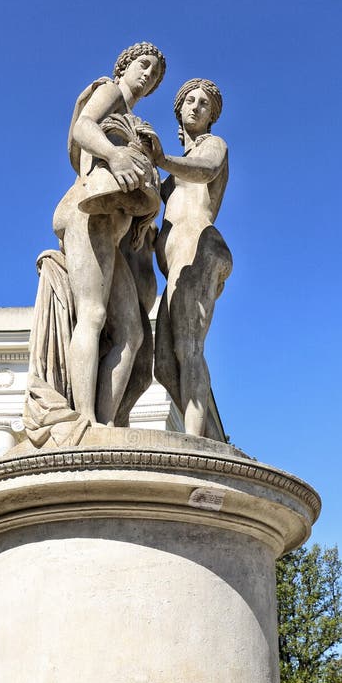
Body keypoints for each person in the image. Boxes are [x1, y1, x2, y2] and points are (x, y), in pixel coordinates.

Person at [25, 42, 165, 442]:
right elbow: (82, 127)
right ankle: (84, 419)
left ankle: (104, 424)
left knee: (132, 333)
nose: (148, 75)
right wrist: (114, 155)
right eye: (144, 65)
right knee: (93, 313)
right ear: (124, 65)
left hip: (112, 230)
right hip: (88, 215)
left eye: (155, 74)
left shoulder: (134, 121)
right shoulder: (110, 91)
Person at [153, 78, 233, 437]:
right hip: (175, 263)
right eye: (190, 100)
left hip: (199, 246)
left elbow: (206, 170)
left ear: (211, 117)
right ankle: (206, 436)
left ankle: (194, 441)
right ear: (179, 109)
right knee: (164, 365)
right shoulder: (174, 171)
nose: (197, 107)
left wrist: (160, 160)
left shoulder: (212, 146)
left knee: (188, 346)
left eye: (204, 104)